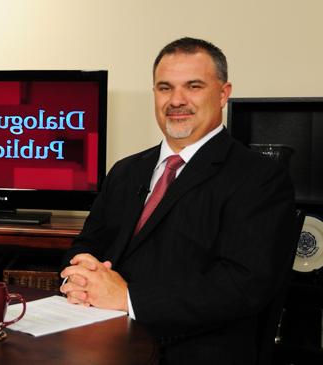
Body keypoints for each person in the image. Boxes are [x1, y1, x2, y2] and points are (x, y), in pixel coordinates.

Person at [60, 38, 295, 364]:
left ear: (223, 94)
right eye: (165, 88)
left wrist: (127, 298)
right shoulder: (126, 170)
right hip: (103, 340)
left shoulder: (259, 177)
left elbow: (243, 286)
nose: (177, 100)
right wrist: (81, 274)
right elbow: (86, 244)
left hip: (194, 352)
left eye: (193, 86)